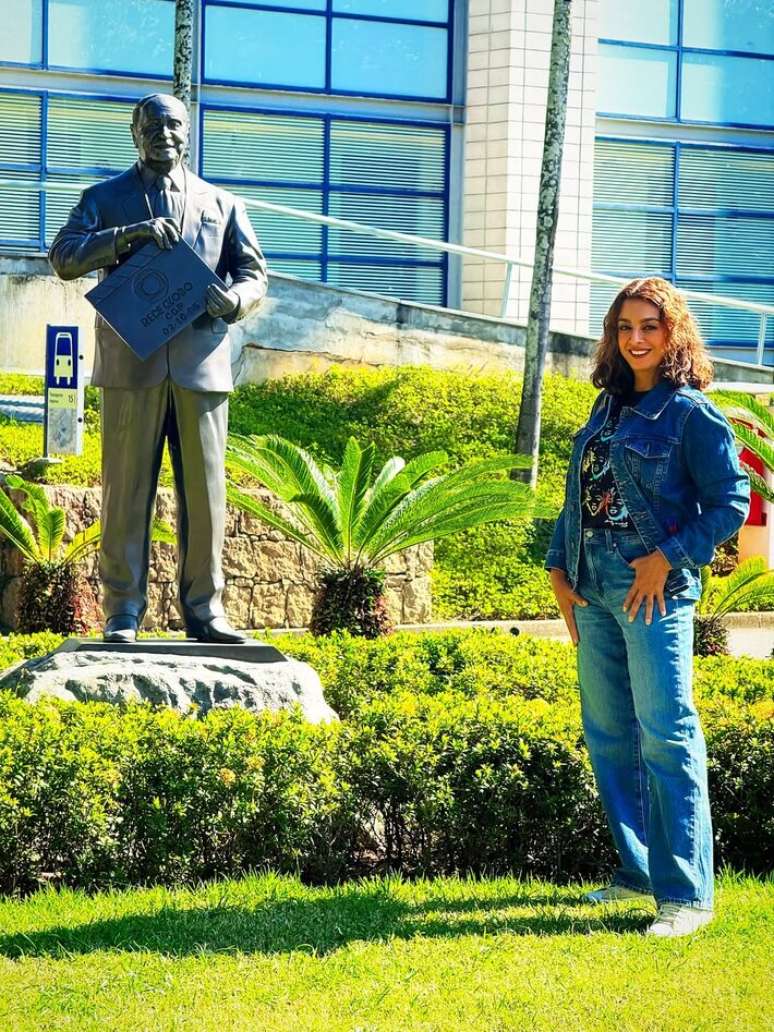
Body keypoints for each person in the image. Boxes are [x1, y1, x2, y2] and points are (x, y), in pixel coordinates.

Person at [545, 277, 749, 938]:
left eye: (649, 327)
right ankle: (637, 872)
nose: (635, 339)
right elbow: (579, 495)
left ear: (672, 333)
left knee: (667, 731)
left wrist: (669, 556)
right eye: (624, 326)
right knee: (609, 732)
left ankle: (687, 895)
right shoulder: (606, 405)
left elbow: (731, 502)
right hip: (592, 584)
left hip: (651, 587)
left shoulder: (690, 413)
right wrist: (557, 567)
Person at [49, 93, 268, 645]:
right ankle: (122, 612)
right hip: (131, 364)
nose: (162, 134)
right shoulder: (104, 199)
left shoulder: (223, 204)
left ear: (187, 132)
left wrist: (235, 301)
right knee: (125, 492)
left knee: (206, 495)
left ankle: (206, 611)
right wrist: (128, 236)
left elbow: (254, 275)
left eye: (172, 125)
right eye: (151, 126)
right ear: (134, 133)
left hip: (201, 366)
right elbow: (64, 257)